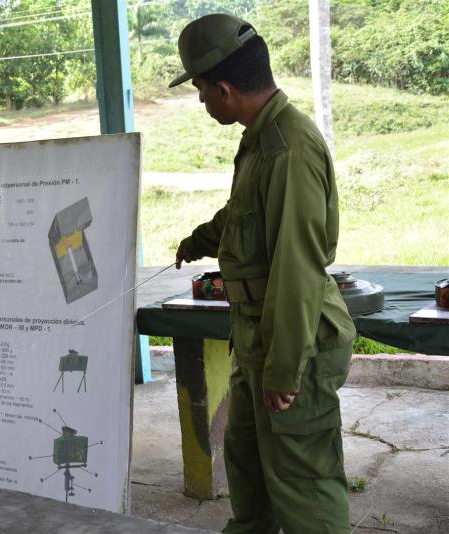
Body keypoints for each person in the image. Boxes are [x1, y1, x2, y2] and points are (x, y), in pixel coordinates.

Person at [169, 14, 357, 533]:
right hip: (255, 335)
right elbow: (242, 216)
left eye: (202, 91)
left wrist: (283, 369)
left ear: (224, 89)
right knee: (249, 468)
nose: (202, 101)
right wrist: (200, 240)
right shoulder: (259, 138)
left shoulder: (289, 148)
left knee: (302, 482)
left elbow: (297, 266)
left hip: (293, 342)